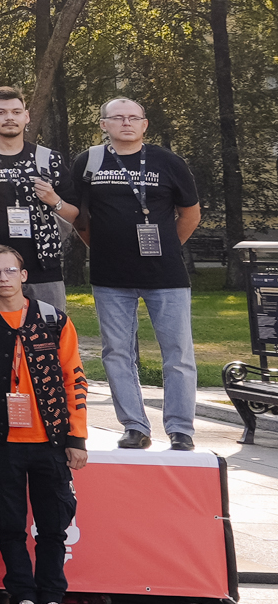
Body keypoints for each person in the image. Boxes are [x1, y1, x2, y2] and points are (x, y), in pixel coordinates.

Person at [56, 96, 202, 452]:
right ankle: (134, 426)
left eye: (133, 118)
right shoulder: (89, 162)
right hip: (110, 277)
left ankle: (181, 430)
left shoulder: (169, 162)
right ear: (103, 124)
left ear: (144, 124)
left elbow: (191, 214)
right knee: (117, 352)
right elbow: (79, 217)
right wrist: (104, 248)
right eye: (117, 118)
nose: (126, 123)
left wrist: (166, 247)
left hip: (166, 276)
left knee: (178, 353)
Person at [0, 241, 88, 604]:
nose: (2, 278)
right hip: (1, 444)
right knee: (10, 526)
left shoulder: (53, 319)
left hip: (50, 442)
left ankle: (53, 601)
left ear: (24, 275)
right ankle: (23, 603)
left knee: (54, 526)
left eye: (9, 270)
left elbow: (75, 379)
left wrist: (77, 436)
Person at [0, 86, 70, 318]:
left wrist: (54, 200)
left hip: (43, 269)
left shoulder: (48, 159)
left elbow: (75, 214)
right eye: (1, 112)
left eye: (16, 112)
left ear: (26, 116)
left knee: (49, 339)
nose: (9, 117)